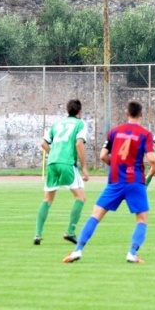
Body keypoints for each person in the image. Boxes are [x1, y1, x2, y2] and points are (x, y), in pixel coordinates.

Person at [63, 101, 155, 264]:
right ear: (141, 114)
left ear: (126, 113)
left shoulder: (114, 132)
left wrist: (116, 165)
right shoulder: (145, 134)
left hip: (115, 181)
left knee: (95, 215)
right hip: (135, 181)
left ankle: (77, 250)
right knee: (142, 219)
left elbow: (103, 155)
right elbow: (152, 159)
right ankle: (132, 253)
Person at [33, 99, 90, 245]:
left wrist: (53, 154)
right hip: (67, 163)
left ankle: (38, 234)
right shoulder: (80, 123)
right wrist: (84, 167)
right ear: (80, 112)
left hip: (52, 163)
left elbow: (43, 143)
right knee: (81, 197)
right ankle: (70, 232)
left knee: (47, 199)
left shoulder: (57, 124)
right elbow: (79, 143)